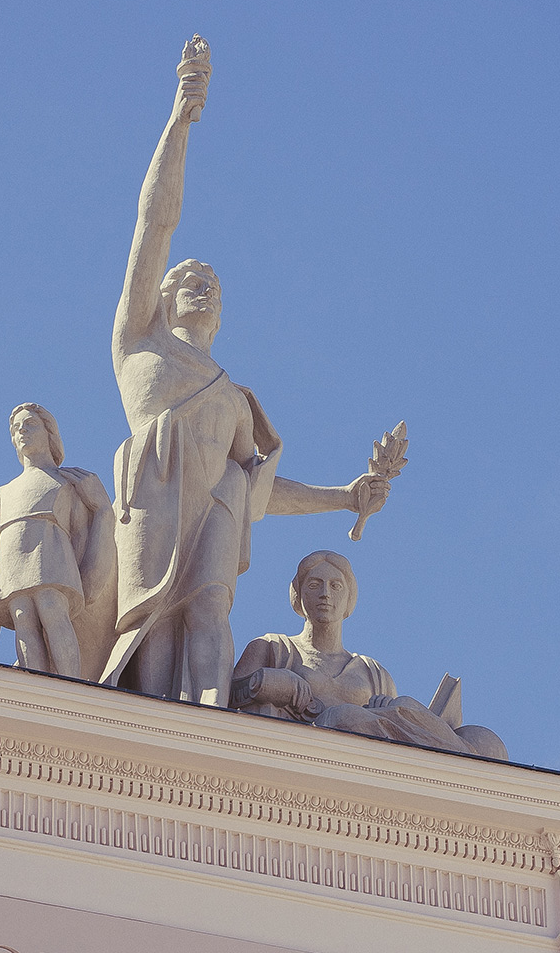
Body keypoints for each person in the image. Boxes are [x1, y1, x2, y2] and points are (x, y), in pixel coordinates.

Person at [105, 35, 399, 704]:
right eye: (189, 281)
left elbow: (263, 489)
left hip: (214, 506)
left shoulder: (236, 401)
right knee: (151, 617)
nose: (202, 287)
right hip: (153, 496)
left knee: (208, 612)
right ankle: (152, 728)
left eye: (212, 283)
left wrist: (345, 498)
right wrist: (180, 123)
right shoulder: (139, 346)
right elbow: (155, 222)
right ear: (163, 298)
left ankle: (208, 715)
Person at [229, 549, 507, 760]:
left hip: (367, 761)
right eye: (314, 585)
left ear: (348, 599)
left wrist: (386, 705)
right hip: (307, 752)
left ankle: (460, 751)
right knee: (341, 717)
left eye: (335, 586)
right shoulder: (273, 647)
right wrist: (269, 682)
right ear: (298, 595)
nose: (325, 594)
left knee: (412, 707)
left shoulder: (372, 671)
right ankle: (462, 753)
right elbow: (226, 695)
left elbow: (392, 721)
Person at [0, 403, 115, 679]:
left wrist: (102, 510)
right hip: (14, 559)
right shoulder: (3, 493)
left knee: (50, 606)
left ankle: (69, 680)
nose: (22, 431)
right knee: (22, 614)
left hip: (51, 555)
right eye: (16, 428)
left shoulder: (69, 481)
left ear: (49, 433)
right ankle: (35, 684)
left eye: (30, 424)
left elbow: (84, 531)